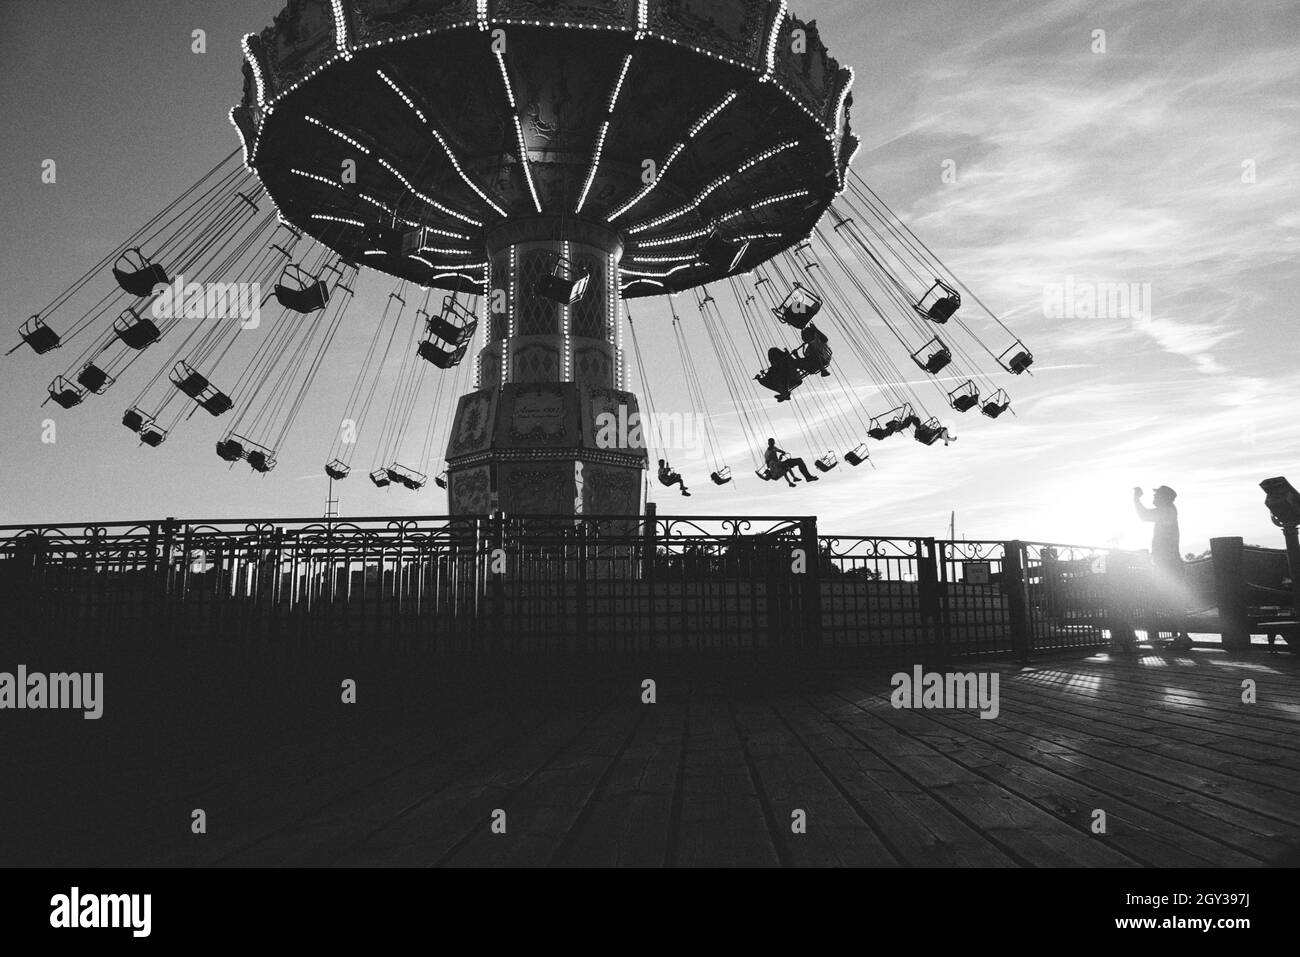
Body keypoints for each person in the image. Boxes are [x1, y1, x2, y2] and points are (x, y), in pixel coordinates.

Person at [1133, 485, 1193, 649]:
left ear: (1164, 497)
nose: (1154, 497)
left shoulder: (1166, 511)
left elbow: (1143, 515)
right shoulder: (1169, 510)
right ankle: (1182, 636)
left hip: (1168, 565)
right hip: (1168, 564)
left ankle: (1182, 636)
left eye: (1157, 494)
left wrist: (1136, 498)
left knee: (1172, 600)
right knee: (1173, 600)